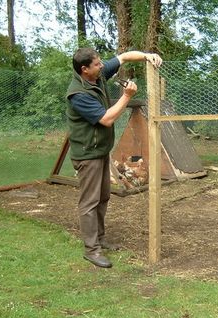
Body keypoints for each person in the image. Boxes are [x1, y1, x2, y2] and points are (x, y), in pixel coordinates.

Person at [65, 48, 162, 268]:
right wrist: (126, 96)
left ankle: (100, 239)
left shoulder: (96, 75)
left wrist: (147, 56)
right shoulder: (78, 94)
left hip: (100, 151)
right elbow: (107, 119)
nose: (102, 66)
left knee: (103, 196)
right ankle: (91, 250)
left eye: (101, 63)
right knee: (89, 202)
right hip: (87, 154)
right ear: (84, 69)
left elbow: (124, 57)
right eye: (97, 65)